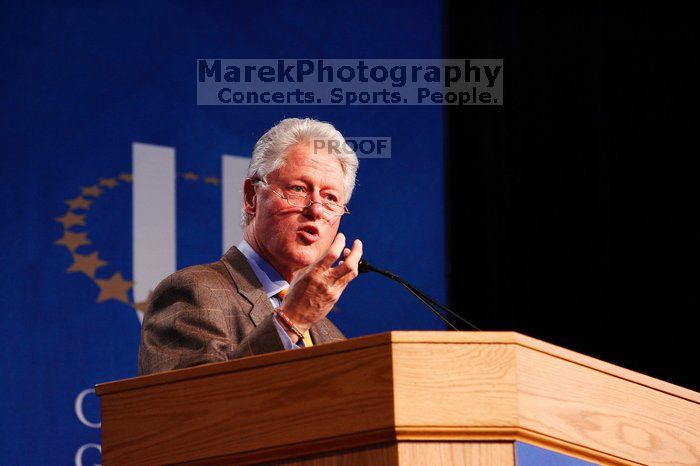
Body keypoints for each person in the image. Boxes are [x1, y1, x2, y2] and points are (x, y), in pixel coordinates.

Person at [138, 118, 362, 375]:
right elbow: (192, 407)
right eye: (298, 189)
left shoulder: (333, 338)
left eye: (331, 198)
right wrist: (291, 322)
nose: (317, 209)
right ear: (251, 197)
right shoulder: (193, 293)